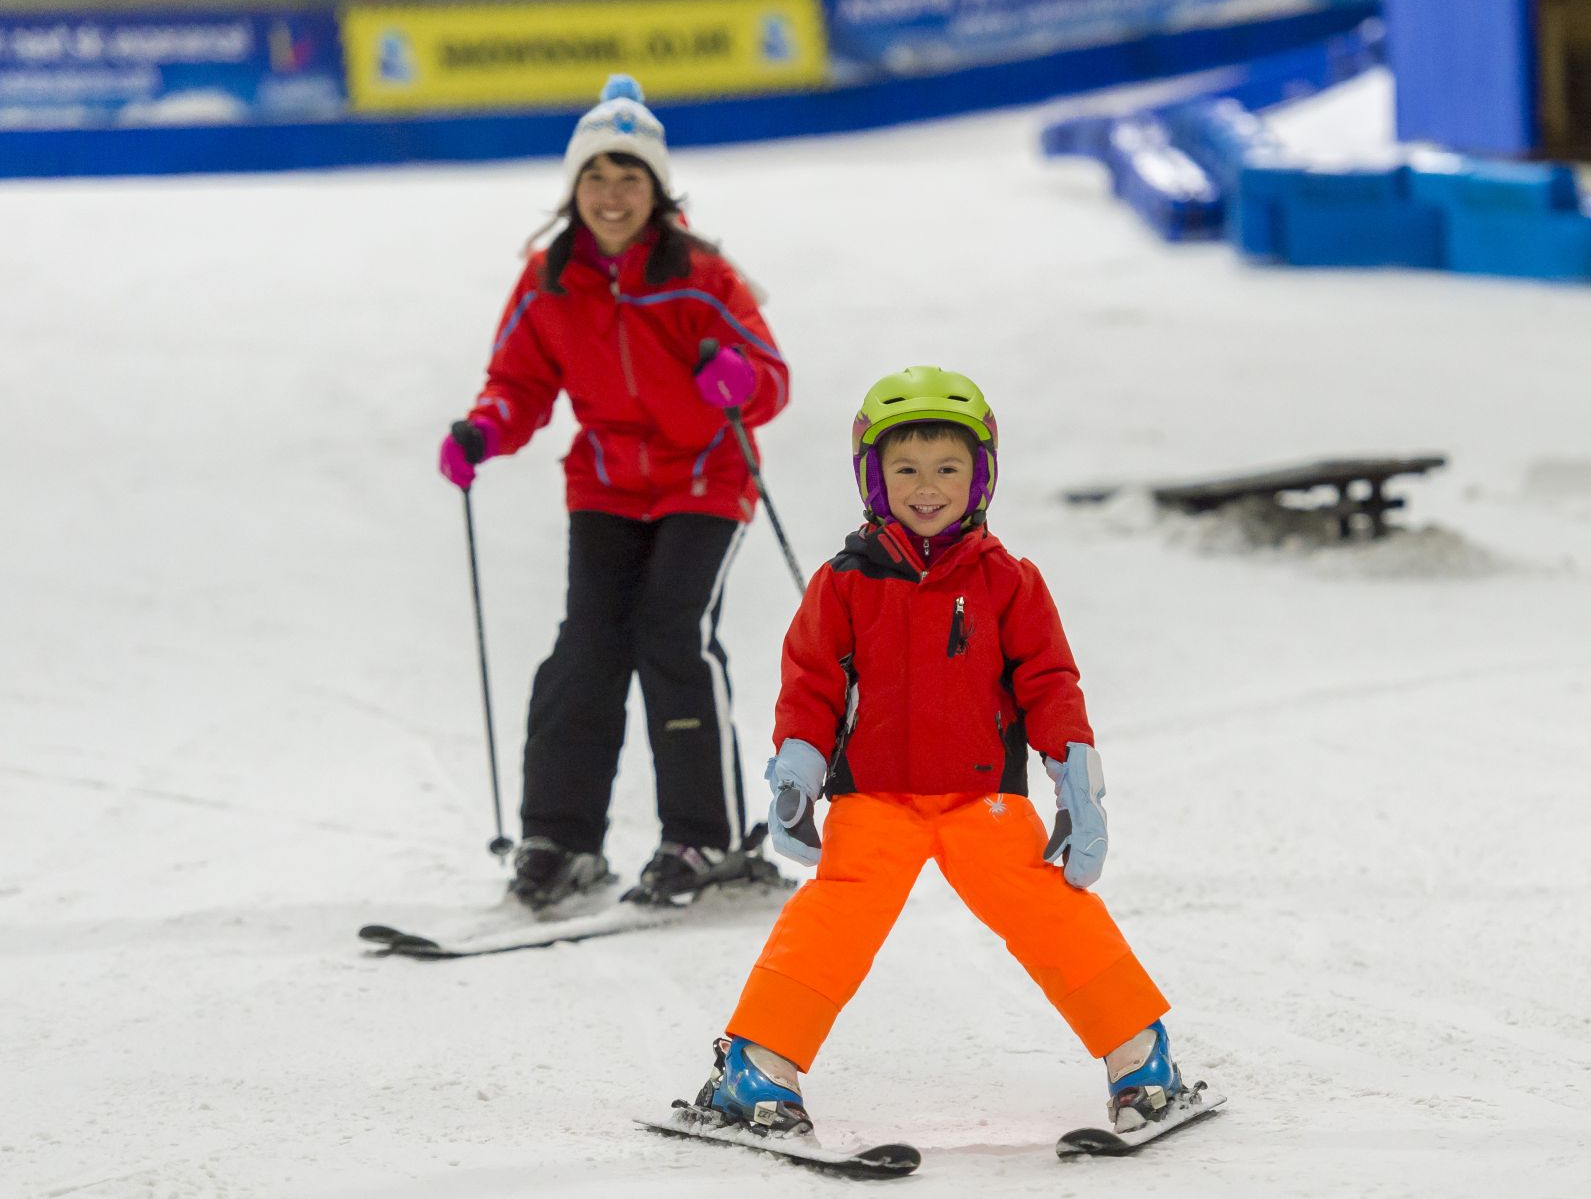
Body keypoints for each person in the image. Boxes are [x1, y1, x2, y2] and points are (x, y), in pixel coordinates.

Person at [678, 366, 1192, 1135]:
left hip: (981, 801)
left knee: (1051, 912)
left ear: (981, 476)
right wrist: (797, 767)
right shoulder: (843, 584)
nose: (928, 486)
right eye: (906, 468)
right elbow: (812, 685)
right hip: (874, 800)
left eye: (949, 467)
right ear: (873, 478)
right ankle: (756, 1066)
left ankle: (1141, 1053)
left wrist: (1075, 775)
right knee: (831, 924)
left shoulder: (1008, 581)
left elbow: (1049, 680)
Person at [436, 75, 790, 910]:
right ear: (574, 189)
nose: (612, 195)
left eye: (630, 178)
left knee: (671, 629)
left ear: (658, 191)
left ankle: (704, 834)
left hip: (706, 476)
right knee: (587, 643)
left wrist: (734, 377)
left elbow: (769, 379)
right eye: (596, 178)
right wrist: (485, 428)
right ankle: (560, 836)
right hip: (606, 481)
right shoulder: (548, 279)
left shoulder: (702, 275)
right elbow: (517, 381)